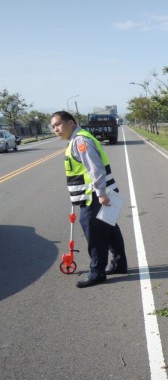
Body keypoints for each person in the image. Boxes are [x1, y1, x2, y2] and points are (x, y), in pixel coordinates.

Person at [50, 111, 128, 288]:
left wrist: (101, 194)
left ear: (71, 123)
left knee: (96, 236)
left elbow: (96, 169)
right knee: (110, 230)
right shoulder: (77, 140)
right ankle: (118, 264)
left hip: (94, 196)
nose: (56, 129)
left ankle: (97, 272)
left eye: (58, 124)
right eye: (53, 126)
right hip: (98, 194)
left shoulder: (80, 141)